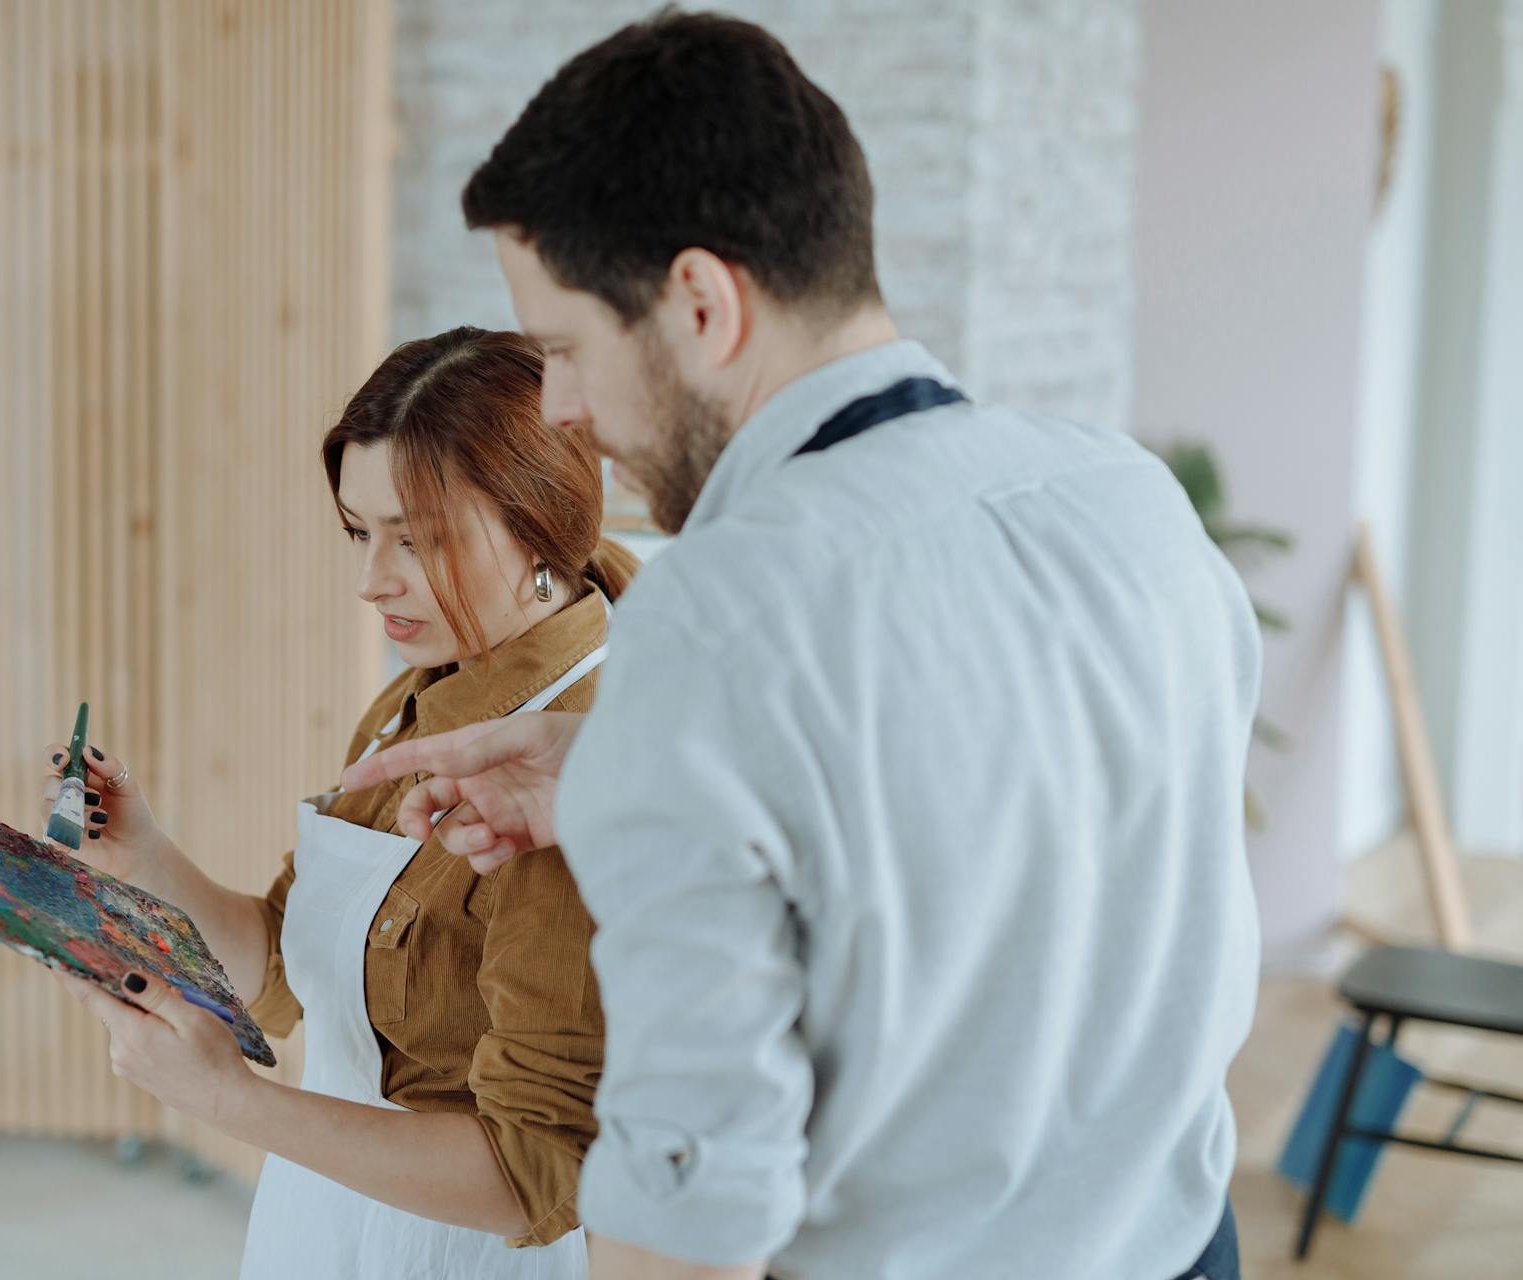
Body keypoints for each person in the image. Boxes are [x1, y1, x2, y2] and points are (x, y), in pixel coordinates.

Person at [343, 12, 1258, 1280]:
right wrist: (622, 774)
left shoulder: (713, 619)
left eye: (563, 349)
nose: (561, 408)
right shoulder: (1122, 497)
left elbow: (687, 1212)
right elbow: (1004, 856)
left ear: (703, 303)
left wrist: (672, 753)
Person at [45, 326, 640, 1277]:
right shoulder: (422, 689)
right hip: (323, 1219)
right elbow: (293, 967)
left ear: (540, 526)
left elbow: (536, 1172)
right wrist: (145, 854)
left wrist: (229, 1102)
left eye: (421, 539)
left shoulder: (582, 769)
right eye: (359, 533)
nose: (371, 583)